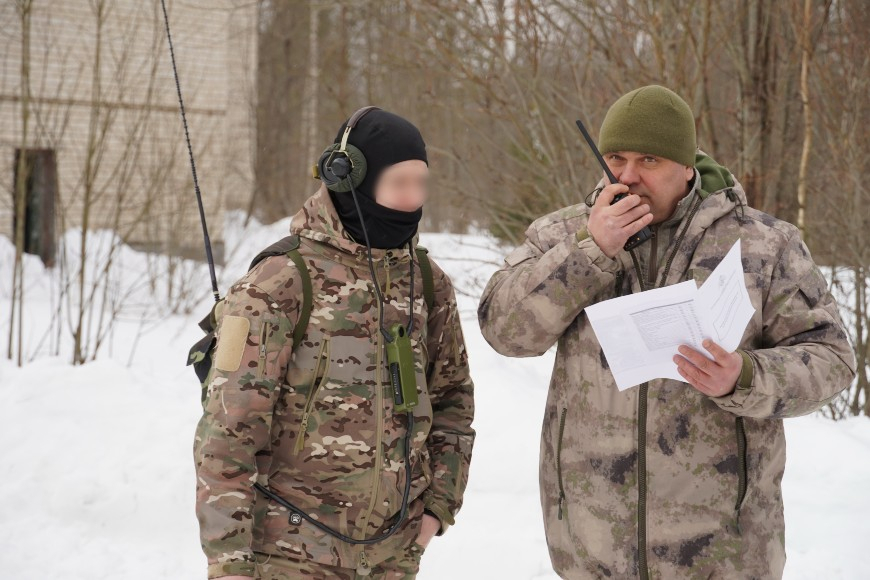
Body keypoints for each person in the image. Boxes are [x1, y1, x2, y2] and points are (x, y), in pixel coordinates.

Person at [478, 85, 856, 579]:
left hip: (725, 551)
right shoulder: (560, 235)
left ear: (685, 166)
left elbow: (832, 358)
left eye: (649, 160)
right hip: (592, 547)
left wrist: (745, 376)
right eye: (616, 158)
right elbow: (504, 332)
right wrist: (589, 251)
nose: (629, 176)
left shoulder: (764, 244)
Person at [195, 107, 475, 580]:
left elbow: (452, 400)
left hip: (393, 555)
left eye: (420, 183)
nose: (411, 199)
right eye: (398, 183)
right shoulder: (281, 280)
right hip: (286, 557)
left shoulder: (427, 282)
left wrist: (435, 512)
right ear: (350, 180)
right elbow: (229, 431)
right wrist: (228, 560)